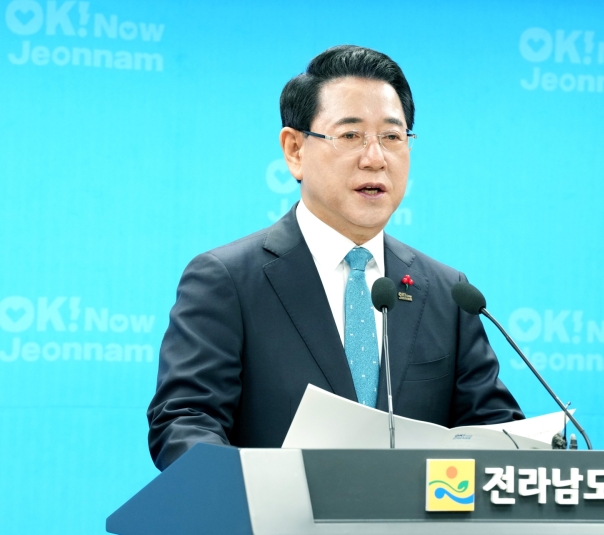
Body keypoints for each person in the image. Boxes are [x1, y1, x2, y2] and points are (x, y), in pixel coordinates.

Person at [147, 45, 523, 471]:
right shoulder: (228, 280)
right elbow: (185, 421)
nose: (375, 159)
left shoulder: (447, 293)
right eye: (350, 136)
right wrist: (256, 491)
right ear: (295, 150)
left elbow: (495, 431)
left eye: (392, 137)